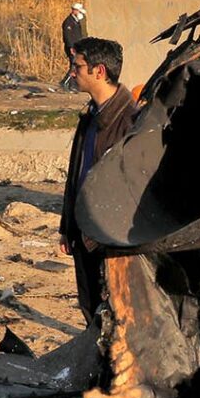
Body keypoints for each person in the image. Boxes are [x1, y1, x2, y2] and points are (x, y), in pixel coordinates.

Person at [59, 37, 140, 321]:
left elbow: (132, 194)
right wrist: (67, 227)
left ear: (99, 71)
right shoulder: (90, 117)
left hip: (111, 243)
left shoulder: (131, 123)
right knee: (90, 310)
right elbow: (75, 175)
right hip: (83, 235)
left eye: (77, 66)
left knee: (114, 316)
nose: (72, 72)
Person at [61, 0, 88, 91]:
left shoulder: (76, 21)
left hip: (77, 47)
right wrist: (71, 47)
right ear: (74, 10)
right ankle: (68, 84)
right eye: (78, 11)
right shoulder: (68, 22)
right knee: (74, 65)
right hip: (71, 47)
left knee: (75, 65)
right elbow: (67, 36)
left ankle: (68, 83)